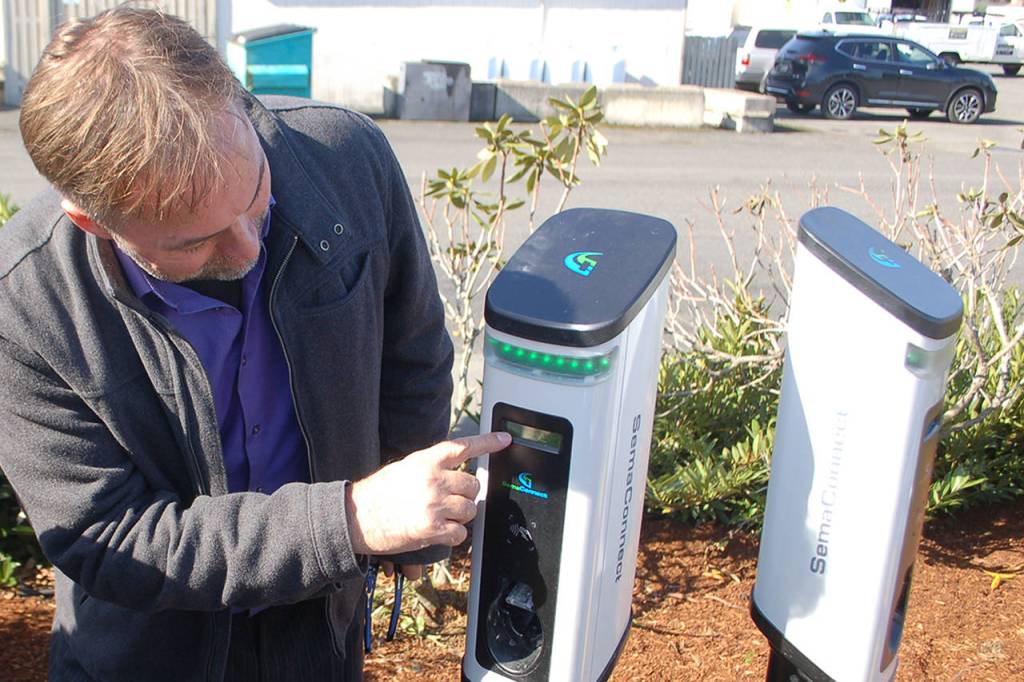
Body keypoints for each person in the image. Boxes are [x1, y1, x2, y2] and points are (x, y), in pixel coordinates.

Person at [0, 7, 508, 681]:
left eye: (257, 196)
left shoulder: (347, 160)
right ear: (92, 221)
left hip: (320, 634)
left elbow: (411, 355)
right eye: (192, 242)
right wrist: (350, 523)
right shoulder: (27, 302)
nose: (247, 249)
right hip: (151, 657)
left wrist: (416, 523)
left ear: (238, 101)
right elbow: (110, 537)